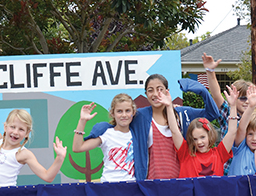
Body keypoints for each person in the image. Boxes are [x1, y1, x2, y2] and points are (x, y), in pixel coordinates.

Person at [85, 74, 220, 180]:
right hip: (150, 182)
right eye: (150, 90)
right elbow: (120, 122)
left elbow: (213, 113)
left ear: (167, 92)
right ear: (146, 94)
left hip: (181, 179)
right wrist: (99, 129)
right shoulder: (140, 116)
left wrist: (201, 90)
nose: (155, 94)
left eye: (160, 89)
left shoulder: (182, 113)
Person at [0, 74, 67, 187]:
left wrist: (60, 157)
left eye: (21, 129)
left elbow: (47, 176)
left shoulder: (23, 154)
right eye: (13, 127)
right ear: (5, 126)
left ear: (27, 133)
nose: (15, 132)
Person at [169, 86, 240, 178]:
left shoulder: (219, 153)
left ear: (210, 135)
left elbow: (231, 132)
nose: (199, 142)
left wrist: (233, 106)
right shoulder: (185, 153)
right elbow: (174, 130)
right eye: (195, 139)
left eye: (202, 137)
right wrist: (168, 107)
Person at [72, 94, 136, 182]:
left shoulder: (137, 135)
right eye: (119, 111)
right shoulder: (107, 134)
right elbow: (77, 147)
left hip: (131, 187)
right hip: (108, 186)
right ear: (112, 113)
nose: (124, 115)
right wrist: (82, 121)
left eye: (128, 111)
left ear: (133, 112)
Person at [201, 53, 256, 137]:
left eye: (250, 98)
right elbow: (216, 95)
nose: (247, 102)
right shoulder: (228, 113)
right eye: (243, 98)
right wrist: (210, 71)